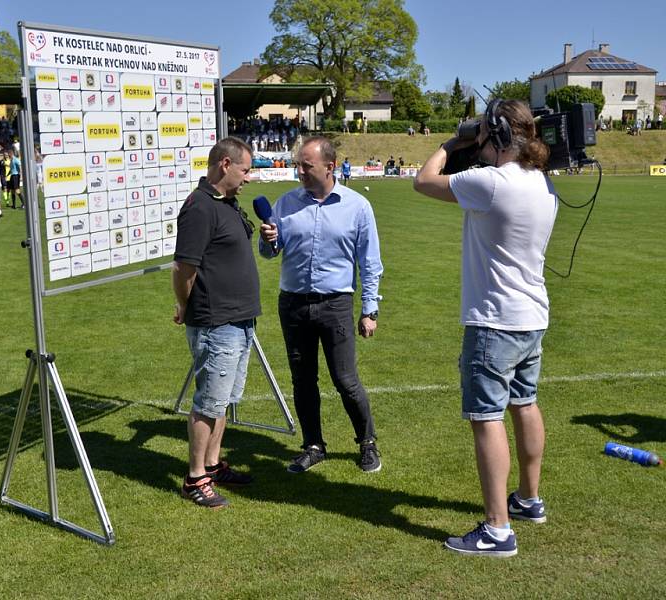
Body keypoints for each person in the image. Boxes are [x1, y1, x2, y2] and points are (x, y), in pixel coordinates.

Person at [413, 99, 556, 557]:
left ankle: (497, 528)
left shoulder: (490, 182)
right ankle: (529, 500)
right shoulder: (542, 182)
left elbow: (422, 180)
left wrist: (452, 141)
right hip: (532, 315)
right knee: (525, 404)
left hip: (495, 319)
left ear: (495, 134)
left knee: (486, 417)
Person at [259, 136, 383, 474]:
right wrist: (267, 240)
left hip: (336, 304)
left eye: (305, 165)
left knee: (345, 379)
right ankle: (313, 445)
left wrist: (369, 309)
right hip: (293, 305)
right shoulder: (284, 204)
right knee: (303, 380)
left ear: (330, 167)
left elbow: (370, 263)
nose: (298, 170)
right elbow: (270, 252)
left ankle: (367, 442)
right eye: (298, 164)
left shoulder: (357, 206)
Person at [173, 137, 260, 509]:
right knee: (208, 402)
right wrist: (184, 305)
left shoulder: (226, 203)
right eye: (245, 169)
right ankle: (195, 478)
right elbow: (184, 268)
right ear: (225, 164)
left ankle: (212, 464)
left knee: (222, 401)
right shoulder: (199, 208)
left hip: (239, 320)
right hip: (215, 322)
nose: (249, 178)